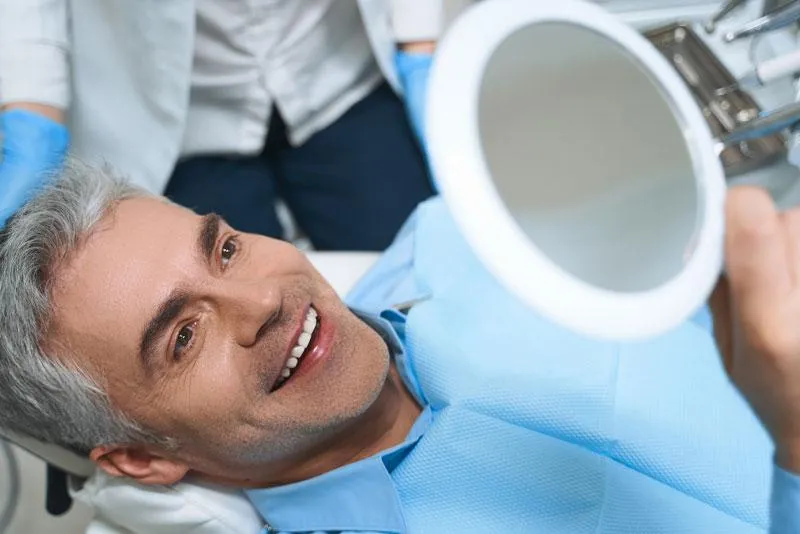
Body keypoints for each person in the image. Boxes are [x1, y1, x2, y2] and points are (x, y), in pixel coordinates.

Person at [0, 160, 798, 532]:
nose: (263, 301)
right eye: (182, 336)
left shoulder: (469, 234)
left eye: (225, 249)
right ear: (141, 458)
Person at [0, 1, 441, 250]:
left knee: (423, 265)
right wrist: (31, 103)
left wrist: (420, 40)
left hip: (334, 69)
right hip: (183, 117)